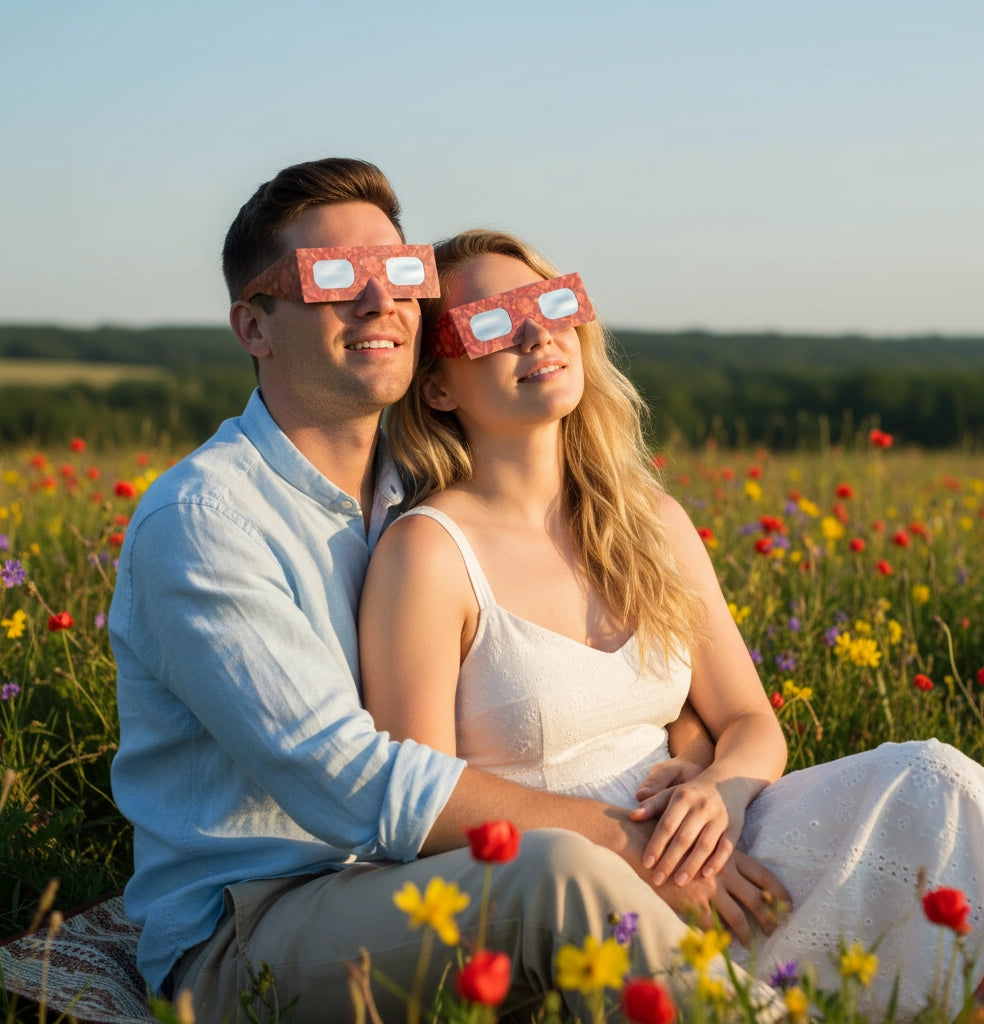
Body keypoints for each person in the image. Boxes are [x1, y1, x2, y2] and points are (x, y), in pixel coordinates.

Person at [108, 159, 789, 1024]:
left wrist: (696, 753)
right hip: (253, 927)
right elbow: (353, 783)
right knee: (556, 874)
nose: (377, 303)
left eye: (401, 275)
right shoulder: (206, 522)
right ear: (254, 325)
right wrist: (631, 839)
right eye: (329, 278)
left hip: (418, 886)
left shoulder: (414, 487)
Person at [359, 228, 984, 1020]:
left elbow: (752, 721)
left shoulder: (649, 520)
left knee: (936, 780)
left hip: (721, 844)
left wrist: (722, 790)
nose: (534, 332)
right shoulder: (428, 552)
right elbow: (424, 802)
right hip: (574, 893)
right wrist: (634, 850)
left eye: (550, 303)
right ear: (438, 387)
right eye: (486, 322)